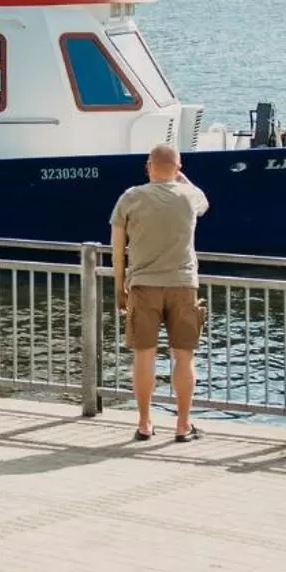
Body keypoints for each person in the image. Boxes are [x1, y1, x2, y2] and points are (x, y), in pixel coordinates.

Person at [111, 143, 210, 442]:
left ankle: (144, 423)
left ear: (148, 166)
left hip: (143, 285)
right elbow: (205, 201)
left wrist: (120, 287)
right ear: (179, 168)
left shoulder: (130, 197)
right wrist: (180, 176)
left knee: (144, 355)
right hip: (183, 285)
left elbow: (117, 250)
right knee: (184, 357)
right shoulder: (189, 196)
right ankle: (182, 426)